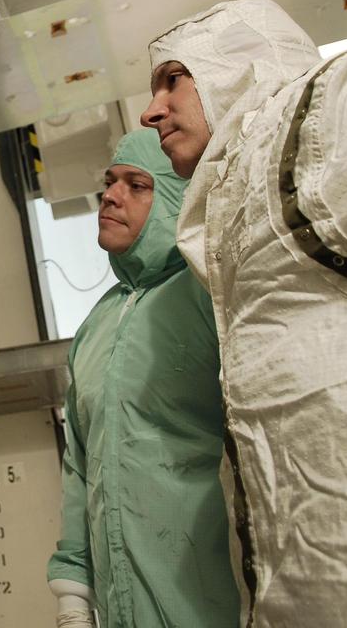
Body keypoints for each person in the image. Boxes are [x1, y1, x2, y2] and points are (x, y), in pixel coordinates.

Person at [139, 0, 347, 627]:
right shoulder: (239, 199)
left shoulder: (325, 115)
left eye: (173, 79)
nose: (151, 112)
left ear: (235, 64)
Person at [46, 129, 240, 628]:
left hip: (215, 602)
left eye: (137, 185)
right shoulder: (94, 327)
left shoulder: (208, 298)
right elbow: (79, 467)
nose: (110, 196)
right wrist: (73, 602)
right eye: (110, 182)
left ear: (176, 200)